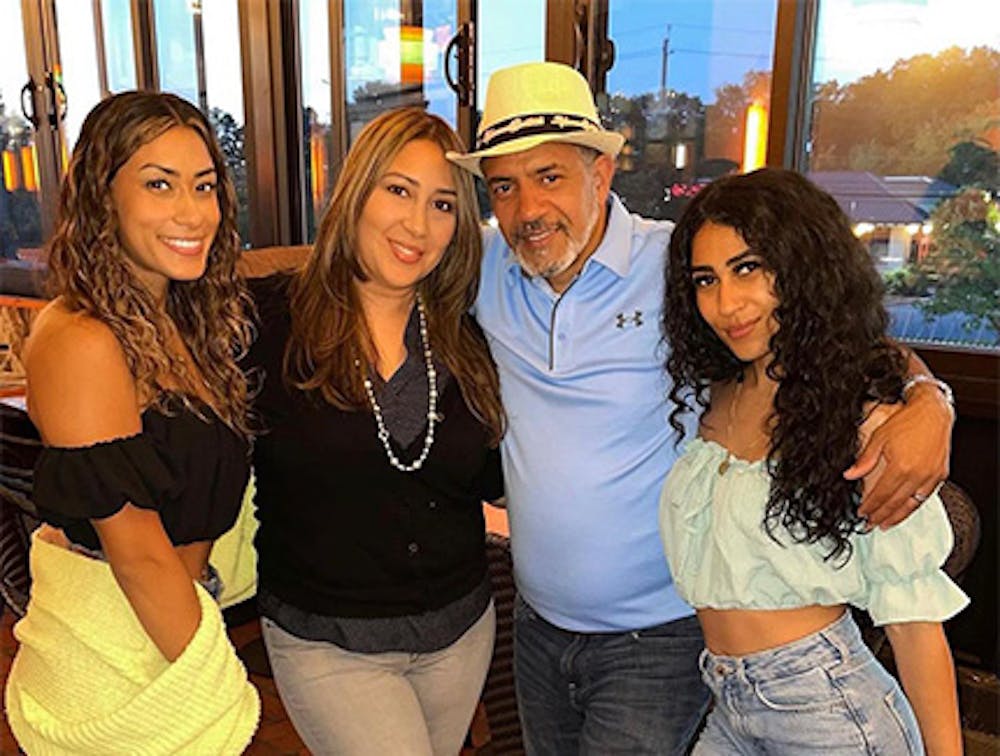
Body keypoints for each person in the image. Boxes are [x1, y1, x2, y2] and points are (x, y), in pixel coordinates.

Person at [446, 61, 957, 754]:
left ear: (601, 172)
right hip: (537, 628)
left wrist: (930, 400)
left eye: (551, 175)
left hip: (657, 639)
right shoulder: (482, 268)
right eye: (503, 185)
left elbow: (839, 337)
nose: (528, 208)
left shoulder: (680, 267)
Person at [659, 167, 968, 754]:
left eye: (748, 268)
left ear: (801, 267)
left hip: (829, 711)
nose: (726, 303)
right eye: (706, 280)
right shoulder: (718, 390)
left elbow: (914, 623)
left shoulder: (864, 417)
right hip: (729, 700)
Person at [4, 91, 259, 753]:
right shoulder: (81, 338)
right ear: (102, 197)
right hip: (116, 658)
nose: (191, 212)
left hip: (172, 631)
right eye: (158, 184)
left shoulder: (181, 321)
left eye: (204, 187)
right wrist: (225, 692)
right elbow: (138, 554)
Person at [247, 106, 505, 755]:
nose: (418, 224)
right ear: (356, 191)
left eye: (443, 204)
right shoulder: (268, 320)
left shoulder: (467, 334)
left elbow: (492, 477)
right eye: (398, 190)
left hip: (461, 631)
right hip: (330, 641)